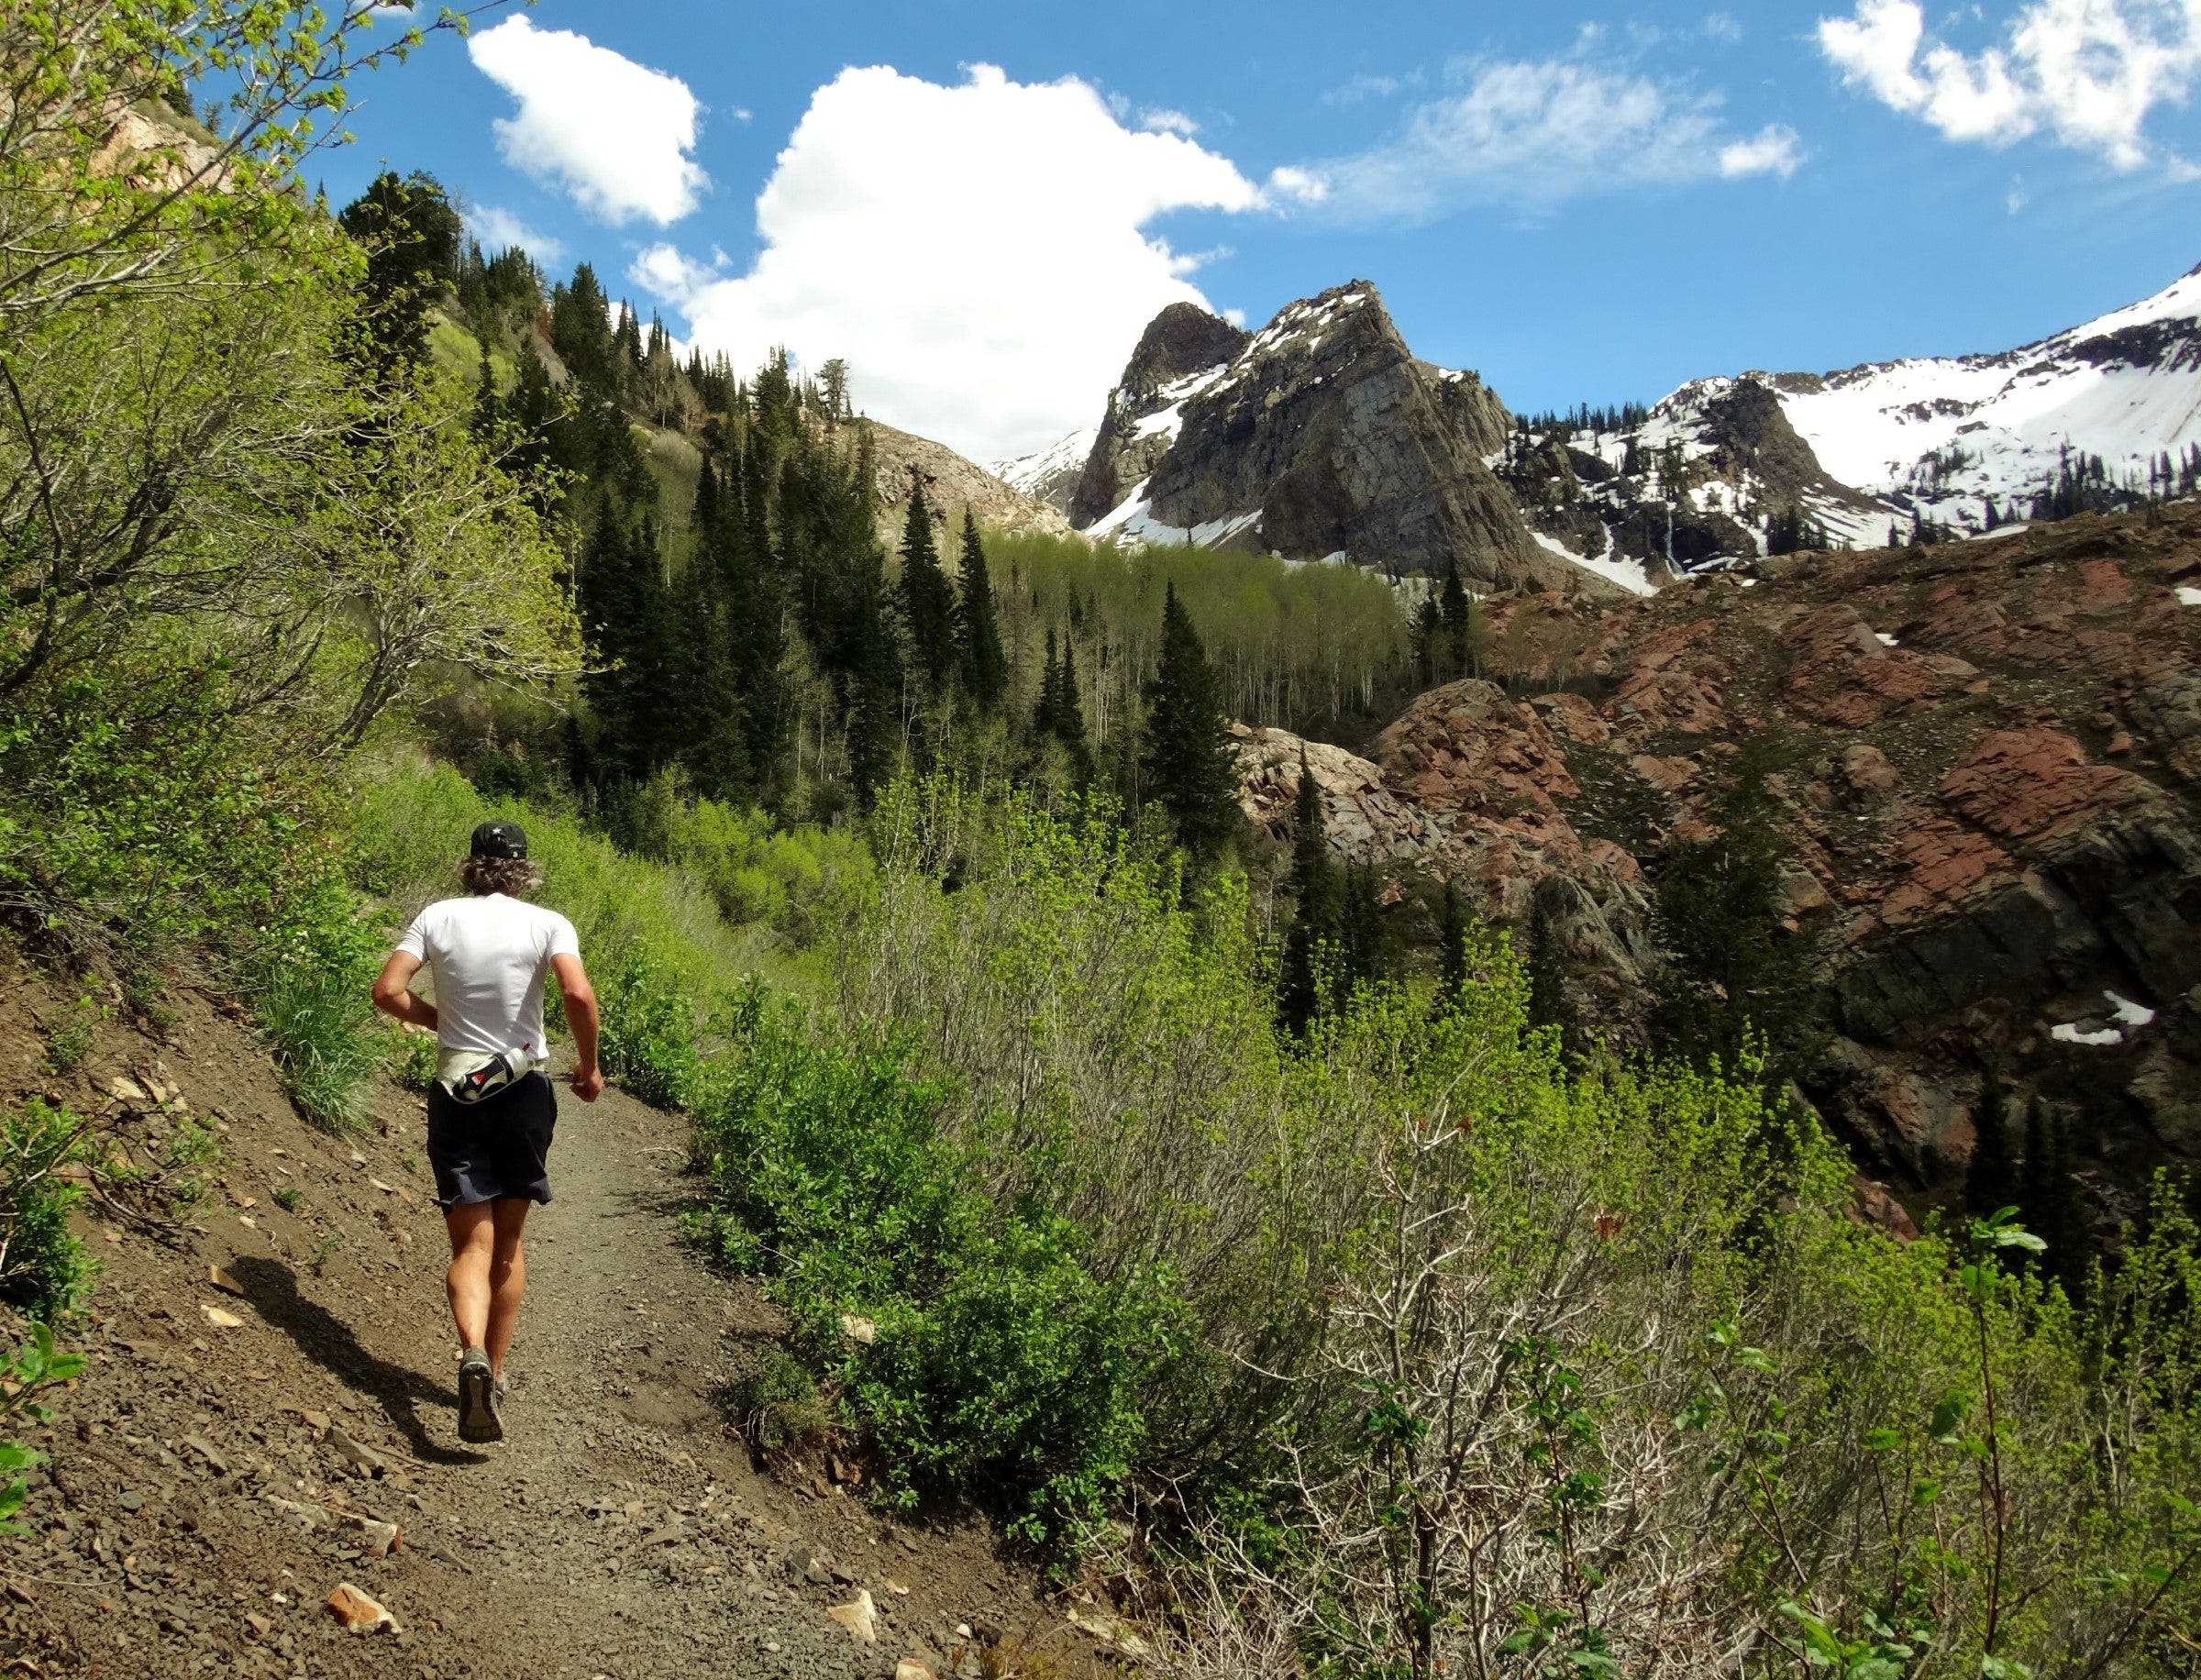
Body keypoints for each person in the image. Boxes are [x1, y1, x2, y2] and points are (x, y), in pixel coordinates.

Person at [371, 820, 603, 1443]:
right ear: (526, 869)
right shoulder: (548, 924)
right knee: (508, 1245)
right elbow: (577, 994)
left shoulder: (437, 918)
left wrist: (438, 1020)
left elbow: (388, 991)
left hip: (457, 1092)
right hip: (523, 1090)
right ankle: (493, 1377)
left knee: (469, 1248)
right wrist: (589, 1066)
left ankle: (470, 1348)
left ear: (472, 865)